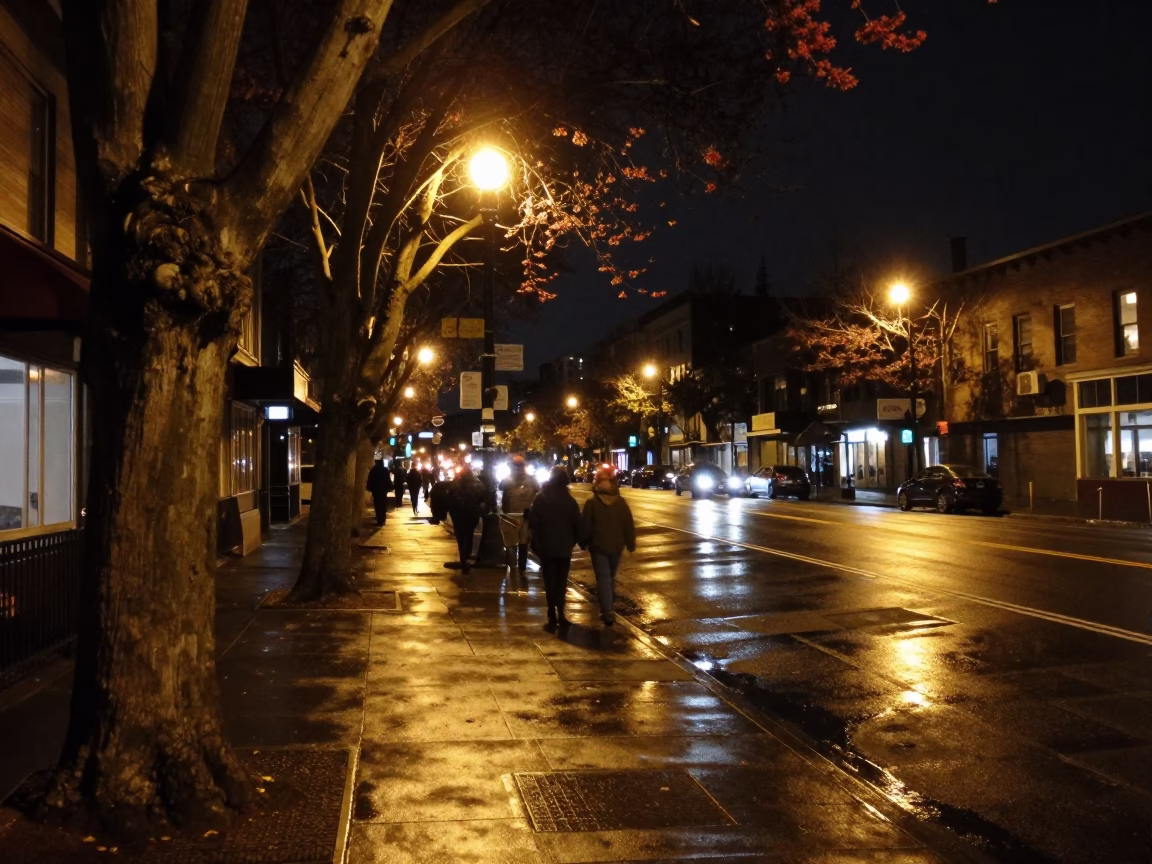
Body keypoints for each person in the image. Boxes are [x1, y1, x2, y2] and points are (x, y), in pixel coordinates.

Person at [581, 464, 636, 626]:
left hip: (598, 547)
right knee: (610, 577)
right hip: (616, 546)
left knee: (603, 578)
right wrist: (630, 542)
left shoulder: (592, 503)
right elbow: (628, 524)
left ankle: (607, 611)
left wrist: (582, 541)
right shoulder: (621, 502)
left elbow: (586, 525)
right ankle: (608, 608)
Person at [529, 466, 583, 630]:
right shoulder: (569, 500)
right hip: (563, 547)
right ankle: (560, 611)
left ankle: (551, 610)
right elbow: (577, 524)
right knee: (561, 580)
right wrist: (575, 540)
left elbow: (534, 523)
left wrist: (536, 542)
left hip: (546, 546)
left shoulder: (540, 498)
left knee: (549, 579)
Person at [499, 455, 539, 574]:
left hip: (510, 515)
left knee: (511, 543)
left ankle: (513, 567)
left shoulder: (507, 479)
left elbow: (500, 487)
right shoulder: (531, 480)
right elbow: (537, 491)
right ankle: (522, 568)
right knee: (523, 542)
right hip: (525, 514)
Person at [448, 465, 488, 573]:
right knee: (469, 534)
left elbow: (450, 498)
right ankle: (466, 555)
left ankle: (463, 559)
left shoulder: (456, 484)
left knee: (460, 537)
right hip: (472, 514)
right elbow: (484, 496)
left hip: (459, 514)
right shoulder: (478, 484)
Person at [366, 458, 393, 526]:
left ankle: (379, 519)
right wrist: (390, 487)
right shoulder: (385, 470)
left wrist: (369, 487)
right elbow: (387, 479)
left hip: (376, 490)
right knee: (383, 504)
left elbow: (370, 479)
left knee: (377, 504)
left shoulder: (373, 470)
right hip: (383, 490)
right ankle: (383, 519)